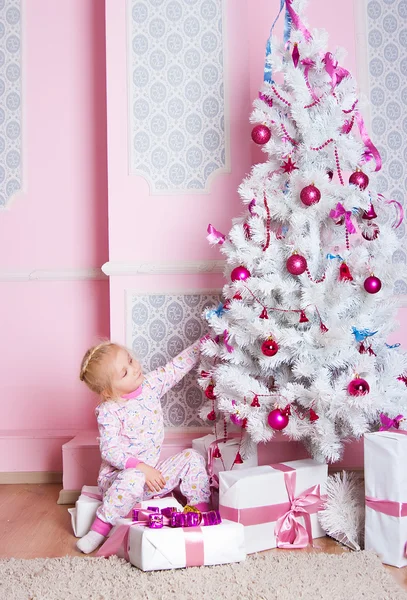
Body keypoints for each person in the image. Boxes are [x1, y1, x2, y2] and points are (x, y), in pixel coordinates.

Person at [76, 337, 211, 554]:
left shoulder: (150, 384)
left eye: (130, 360)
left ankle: (199, 512)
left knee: (192, 458)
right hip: (120, 481)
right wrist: (140, 467)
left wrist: (204, 343)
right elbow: (110, 451)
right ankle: (99, 529)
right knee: (134, 477)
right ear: (109, 391)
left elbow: (175, 367)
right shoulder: (109, 410)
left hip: (152, 480)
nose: (134, 368)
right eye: (124, 372)